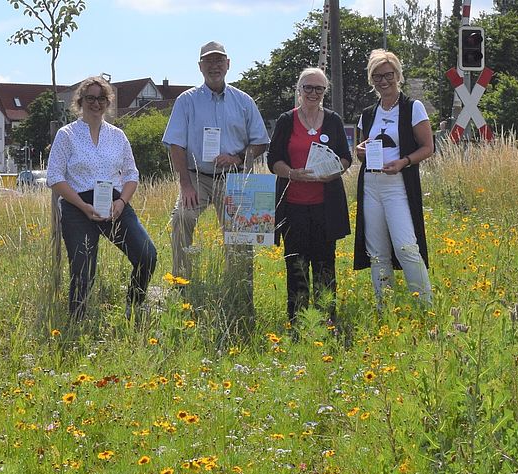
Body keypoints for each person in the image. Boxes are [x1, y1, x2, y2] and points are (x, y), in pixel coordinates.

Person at [162, 41, 269, 316]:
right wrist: (185, 185)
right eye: (209, 61)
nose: (214, 66)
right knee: (182, 217)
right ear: (200, 67)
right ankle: (182, 288)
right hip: (197, 176)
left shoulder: (244, 101)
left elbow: (261, 142)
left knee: (242, 238)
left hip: (235, 177)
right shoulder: (186, 101)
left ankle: (240, 297)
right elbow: (176, 145)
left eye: (219, 60)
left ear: (228, 64)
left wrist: (238, 158)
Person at [47, 76, 157, 322]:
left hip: (114, 203)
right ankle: (77, 323)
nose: (96, 103)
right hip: (78, 205)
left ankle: (133, 307)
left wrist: (122, 202)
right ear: (80, 101)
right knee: (83, 269)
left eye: (101, 98)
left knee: (146, 254)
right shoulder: (67, 135)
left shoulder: (117, 136)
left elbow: (131, 174)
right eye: (90, 98)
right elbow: (54, 176)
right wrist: (82, 206)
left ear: (108, 102)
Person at [267, 67, 351, 324]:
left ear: (325, 91)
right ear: (299, 89)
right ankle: (298, 322)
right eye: (308, 87)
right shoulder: (286, 120)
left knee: (325, 266)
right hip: (293, 207)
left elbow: (345, 158)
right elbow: (273, 160)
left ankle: (327, 321)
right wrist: (292, 173)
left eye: (319, 88)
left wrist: (333, 172)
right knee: (296, 267)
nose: (313, 93)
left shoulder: (333, 121)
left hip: (325, 208)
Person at [354, 49, 433, 306]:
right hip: (371, 185)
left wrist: (403, 162)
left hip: (398, 185)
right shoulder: (368, 113)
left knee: (406, 246)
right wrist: (360, 151)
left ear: (398, 75)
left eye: (388, 75)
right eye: (377, 76)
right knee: (377, 253)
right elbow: (361, 151)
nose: (383, 81)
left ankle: (425, 305)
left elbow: (428, 147)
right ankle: (384, 307)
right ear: (371, 80)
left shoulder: (412, 107)